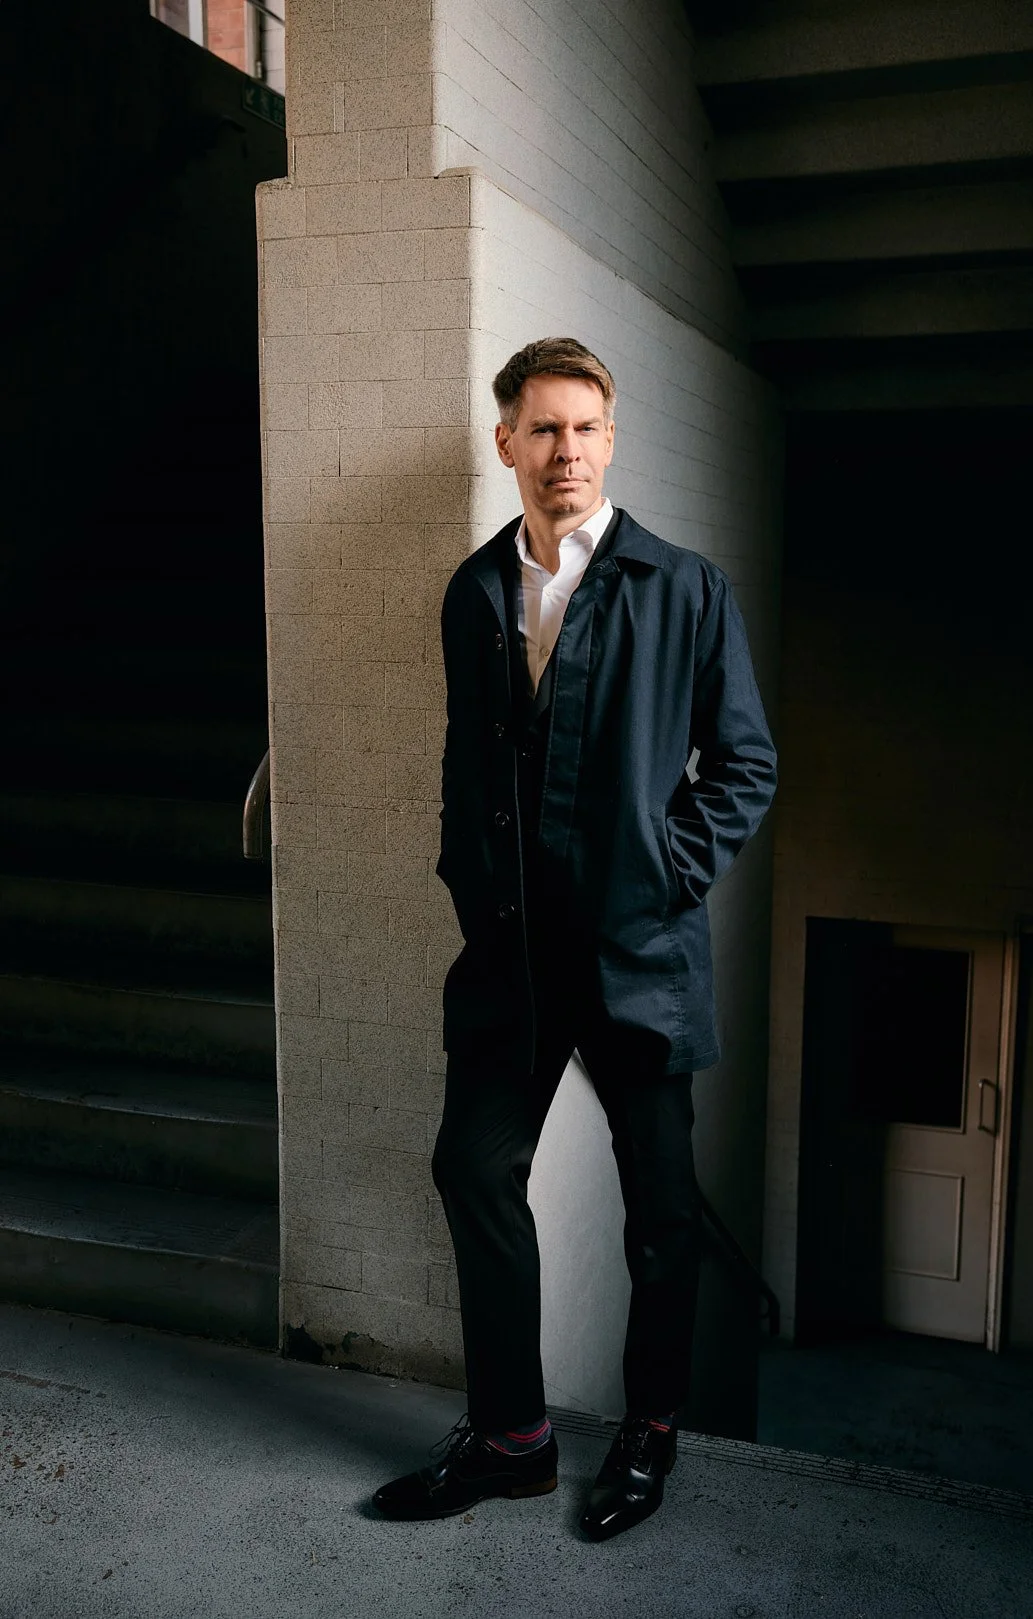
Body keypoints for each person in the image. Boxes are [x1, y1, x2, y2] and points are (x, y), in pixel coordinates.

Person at [373, 337, 777, 1541]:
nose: (567, 452)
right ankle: (514, 1438)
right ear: (506, 442)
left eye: (586, 428)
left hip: (639, 962)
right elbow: (465, 764)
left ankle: (650, 1431)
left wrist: (659, 877)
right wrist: (467, 870)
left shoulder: (684, 586)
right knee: (472, 1164)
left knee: (659, 1214)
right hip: (510, 958)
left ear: (613, 439)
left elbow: (744, 766)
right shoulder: (474, 590)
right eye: (543, 429)